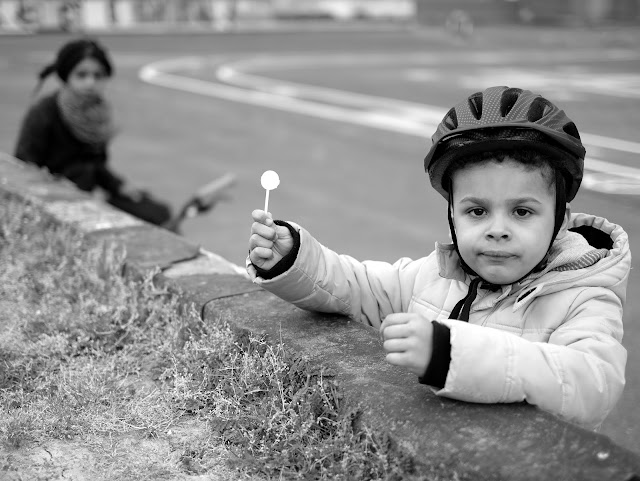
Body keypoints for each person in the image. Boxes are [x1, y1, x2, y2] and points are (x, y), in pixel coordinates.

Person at [247, 86, 631, 430]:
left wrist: (452, 352)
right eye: (477, 211)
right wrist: (294, 258)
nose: (497, 230)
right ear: (452, 216)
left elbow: (592, 383)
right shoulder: (435, 275)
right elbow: (358, 286)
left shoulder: (583, 295)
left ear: (560, 220)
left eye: (522, 212)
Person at [14, 37, 235, 230]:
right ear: (66, 77)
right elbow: (23, 167)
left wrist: (120, 186)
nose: (90, 82)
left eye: (97, 75)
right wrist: (55, 188)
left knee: (159, 214)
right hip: (54, 202)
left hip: (87, 194)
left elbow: (95, 166)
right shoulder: (45, 112)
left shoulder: (96, 115)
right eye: (81, 75)